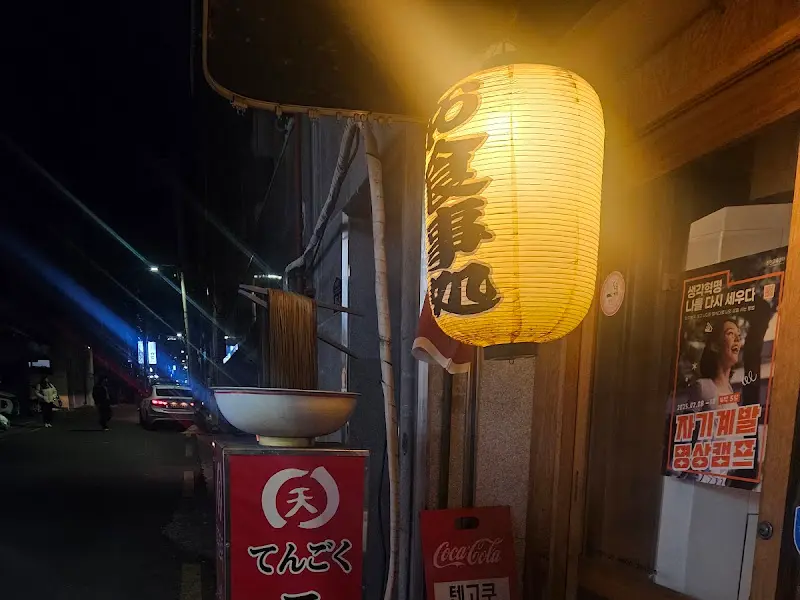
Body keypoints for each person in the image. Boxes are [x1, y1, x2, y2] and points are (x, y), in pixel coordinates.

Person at [695, 317, 742, 403]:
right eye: (730, 333)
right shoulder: (702, 387)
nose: (738, 339)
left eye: (739, 335)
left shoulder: (729, 389)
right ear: (715, 346)